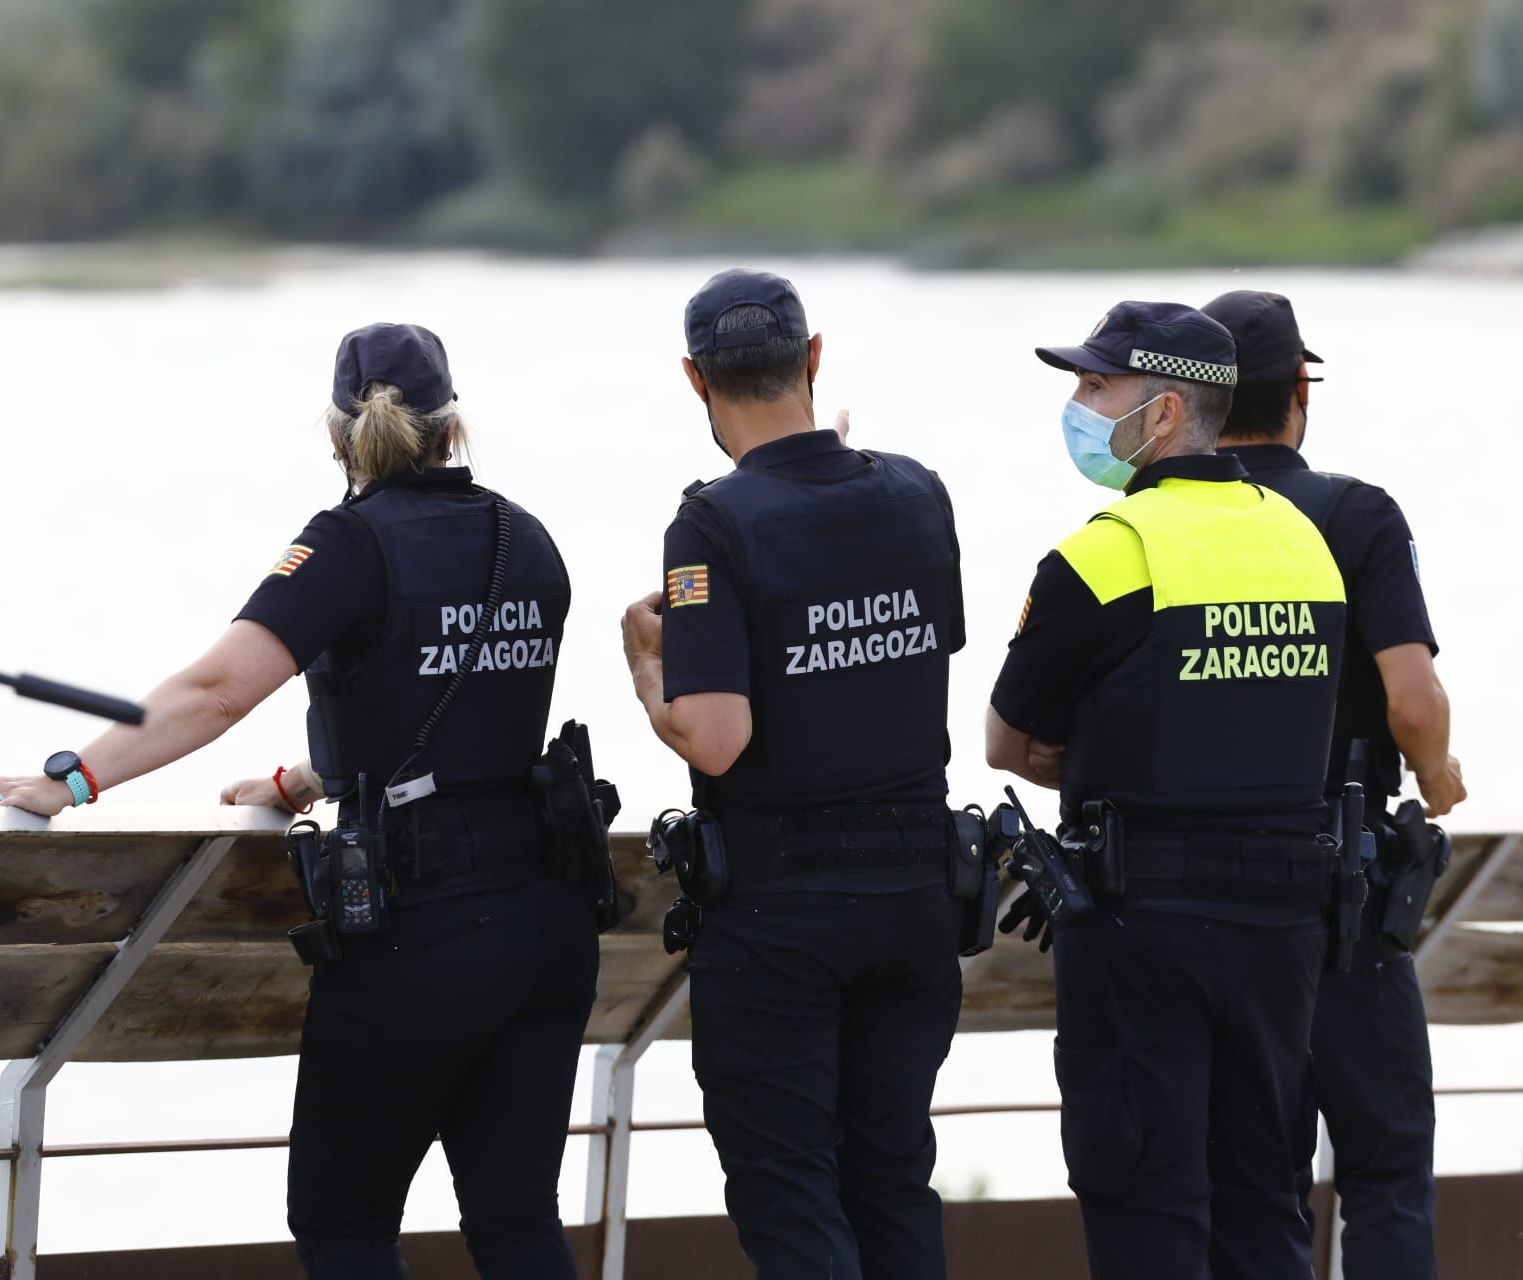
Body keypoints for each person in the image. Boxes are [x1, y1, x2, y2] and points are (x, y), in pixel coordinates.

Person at [0, 323, 598, 1280]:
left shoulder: (349, 543)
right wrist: (314, 776)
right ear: (451, 425)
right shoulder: (529, 538)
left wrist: (70, 779)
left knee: (345, 1229)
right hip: (546, 923)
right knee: (515, 1221)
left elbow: (216, 692)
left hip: (422, 935)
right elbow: (452, 713)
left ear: (340, 434)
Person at [985, 301, 1347, 1280]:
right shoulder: (1301, 541)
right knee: (1265, 1201)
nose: (1078, 401)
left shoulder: (1107, 552)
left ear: (1163, 411)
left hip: (1146, 924)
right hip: (1282, 929)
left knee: (1147, 1200)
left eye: (1096, 385)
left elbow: (1008, 738)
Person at [620, 268, 967, 1279]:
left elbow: (716, 735)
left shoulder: (711, 525)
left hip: (784, 918)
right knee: (893, 1175)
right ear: (813, 358)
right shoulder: (916, 490)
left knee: (788, 1184)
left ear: (695, 379)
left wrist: (649, 667)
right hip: (916, 898)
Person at [1205, 289, 1464, 1279]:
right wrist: (1436, 777)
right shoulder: (1356, 513)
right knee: (1386, 1164)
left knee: (1255, 1178)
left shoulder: (1160, 525)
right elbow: (1412, 697)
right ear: (1299, 394)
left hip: (1215, 896)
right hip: (1345, 894)